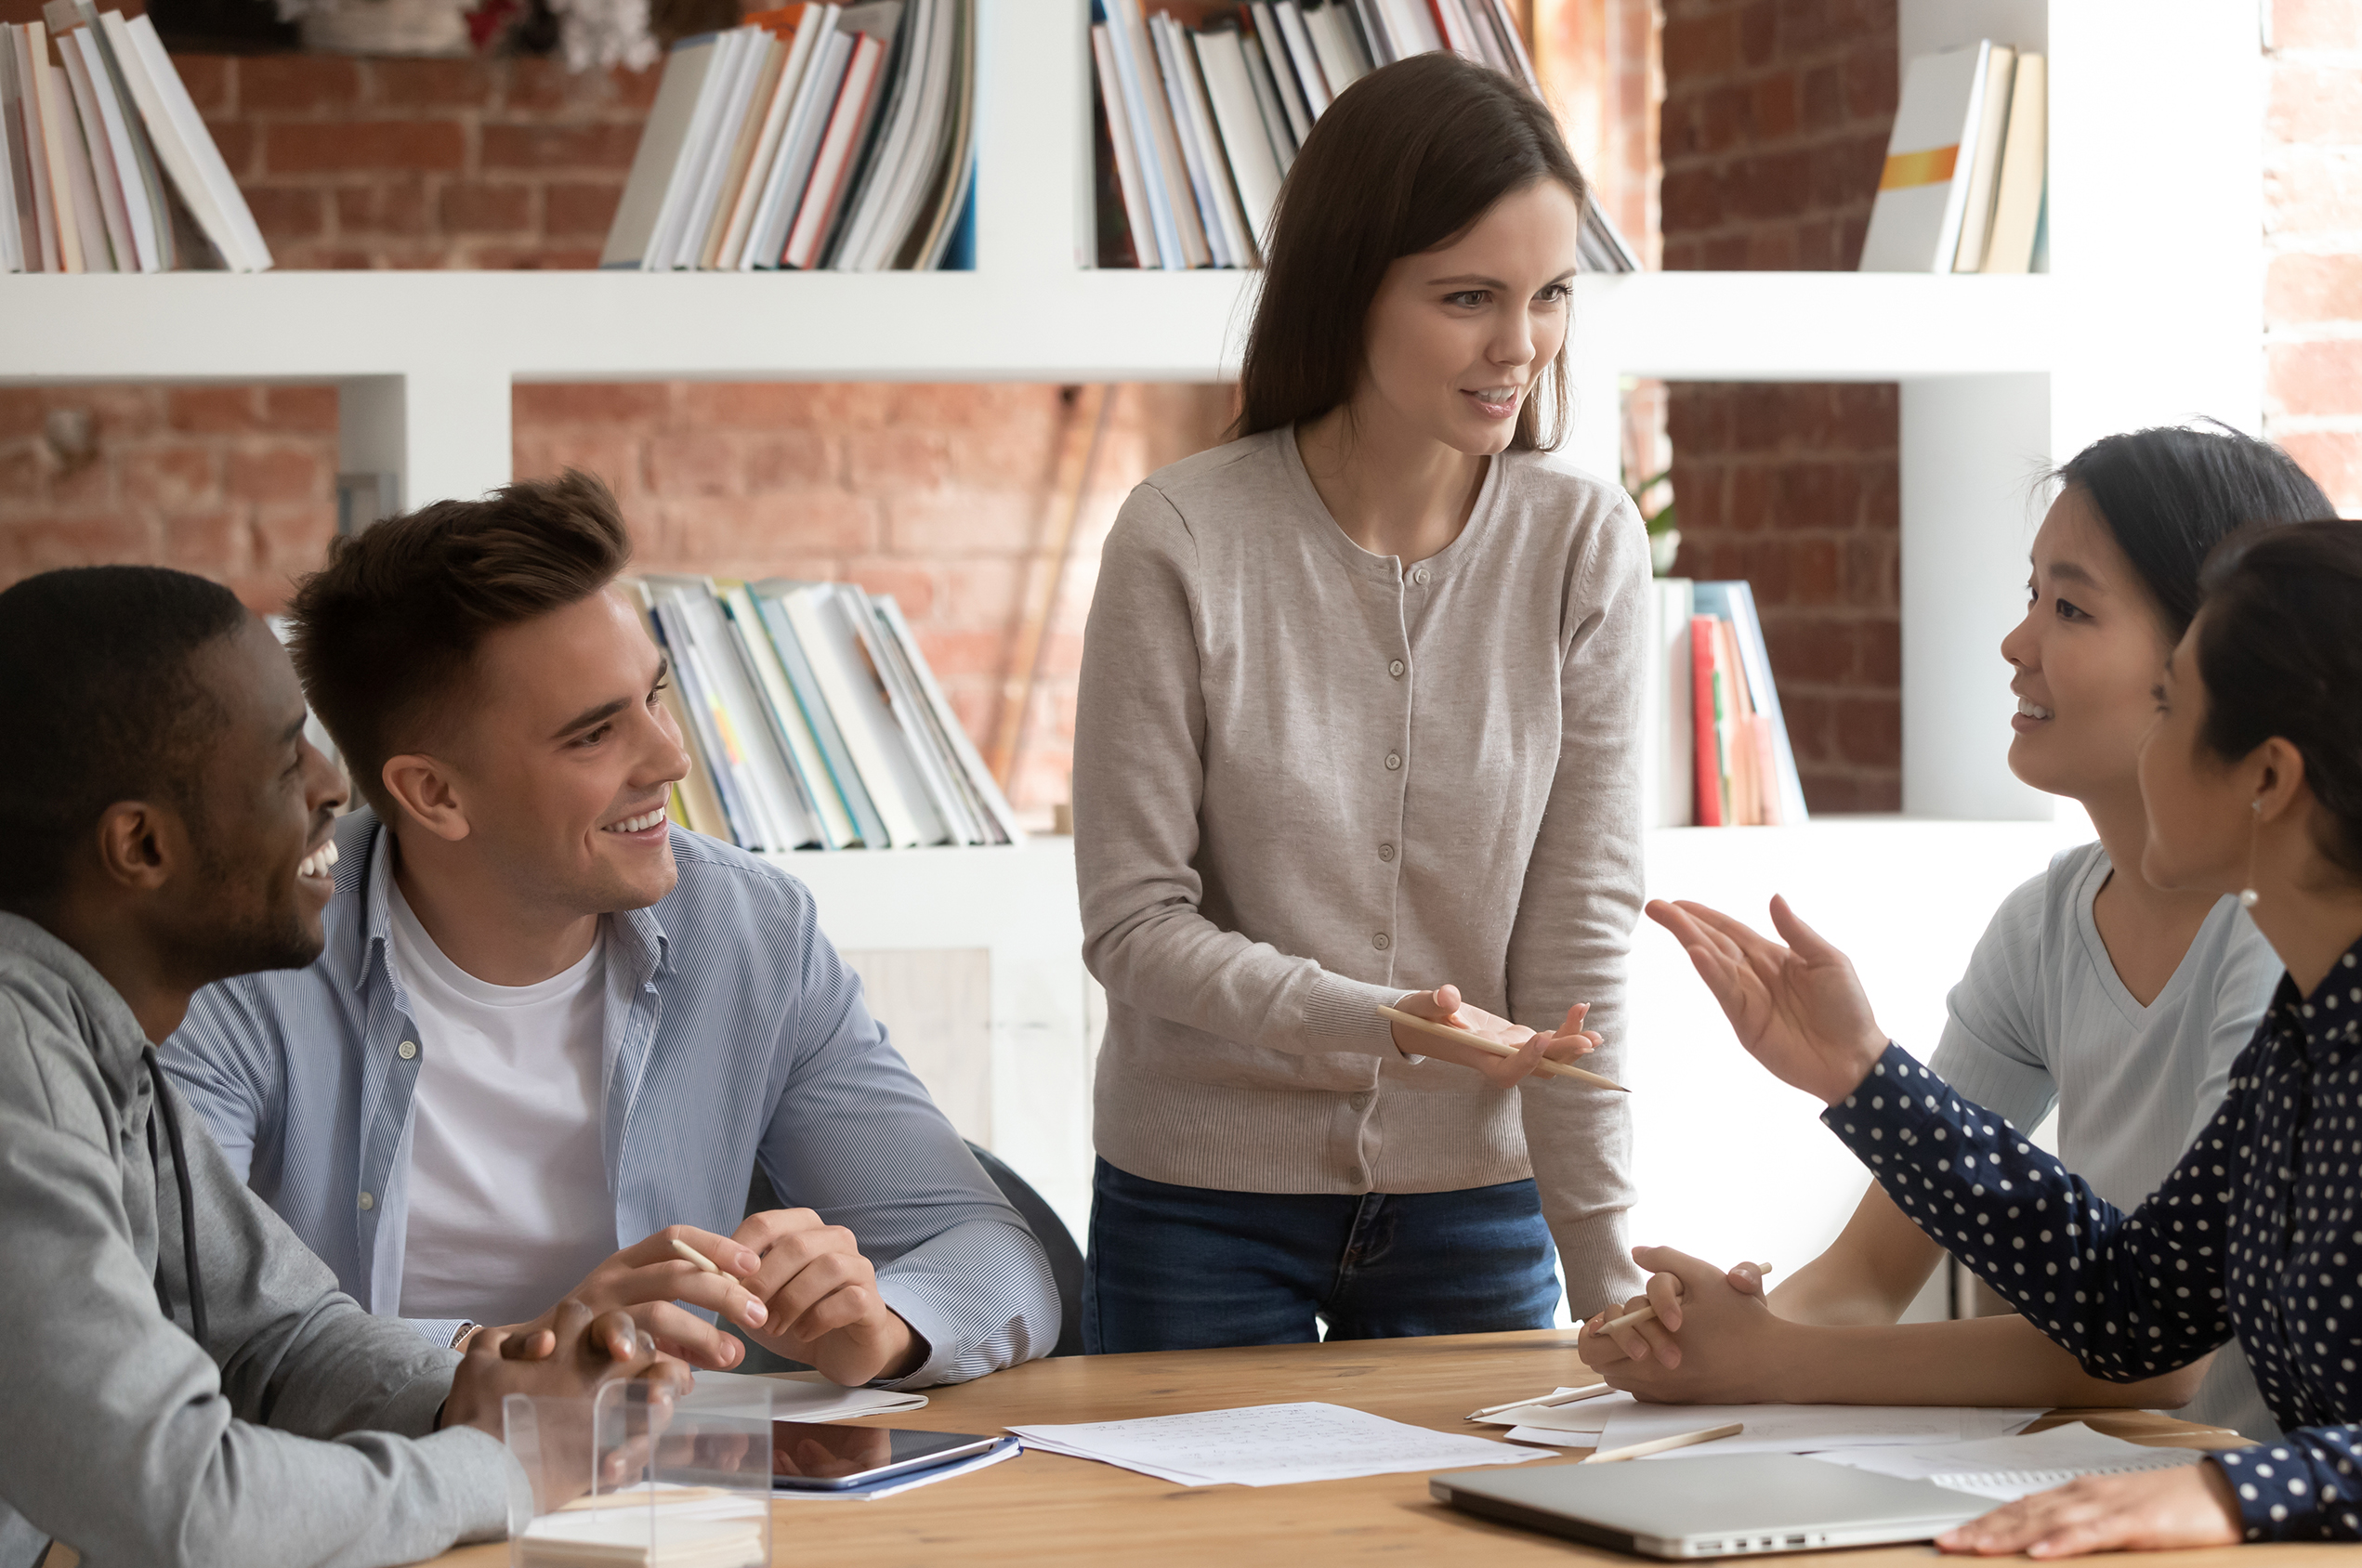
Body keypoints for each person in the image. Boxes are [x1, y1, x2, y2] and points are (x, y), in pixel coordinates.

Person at [1647, 518, 2362, 1552]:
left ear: (2270, 776)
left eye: (2171, 708)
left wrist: (2236, 1487)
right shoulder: (2322, 1028)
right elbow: (2131, 1306)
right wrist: (1864, 1076)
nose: (2146, 748)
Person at [168, 471, 1060, 1389]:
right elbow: (182, 1315)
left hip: (682, 1503)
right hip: (372, 1496)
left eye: (656, 695)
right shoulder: (241, 968)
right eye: (594, 734)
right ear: (434, 793)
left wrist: (886, 1322)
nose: (671, 757)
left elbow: (984, 1246)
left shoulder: (748, 930)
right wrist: (529, 1353)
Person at [1581, 425, 2329, 1434]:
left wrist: (1781, 1359)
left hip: (2253, 1508)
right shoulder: (2045, 924)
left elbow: (2161, 1355)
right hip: (2146, 1491)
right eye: (2033, 597)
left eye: (2071, 607)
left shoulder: (2289, 941)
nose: (2018, 643)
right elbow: (1869, 1269)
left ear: (2214, 659)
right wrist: (1699, 1341)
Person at [1071, 50, 1643, 1351]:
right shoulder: (1182, 537)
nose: (1521, 347)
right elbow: (1133, 924)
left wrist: (1605, 1270)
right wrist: (1384, 1024)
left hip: (1478, 1208)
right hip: (1198, 1202)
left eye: (1550, 295)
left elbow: (1577, 948)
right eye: (1468, 298)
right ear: (1349, 288)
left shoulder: (1583, 548)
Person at [0, 565, 682, 1568]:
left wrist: (499, 1384)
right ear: (141, 844)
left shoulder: (91, 1041)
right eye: (286, 764)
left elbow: (274, 1335)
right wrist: (504, 1471)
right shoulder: (17, 1069)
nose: (334, 787)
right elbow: (184, 1505)